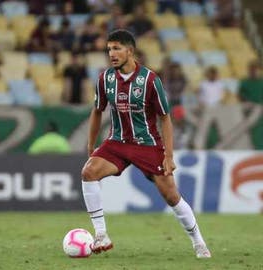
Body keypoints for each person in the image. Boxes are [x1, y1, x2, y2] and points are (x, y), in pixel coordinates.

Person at [81, 29, 211, 258]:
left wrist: (168, 156)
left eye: (117, 48)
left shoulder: (151, 80)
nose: (112, 53)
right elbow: (97, 111)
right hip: (117, 142)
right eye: (109, 49)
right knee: (88, 172)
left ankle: (198, 242)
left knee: (171, 195)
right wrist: (91, 145)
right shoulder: (105, 78)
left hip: (147, 144)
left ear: (130, 51)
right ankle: (101, 235)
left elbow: (165, 118)